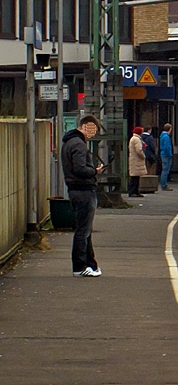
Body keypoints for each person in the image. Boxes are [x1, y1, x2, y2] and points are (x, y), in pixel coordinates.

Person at [60, 115, 104, 277]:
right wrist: (94, 171)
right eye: (93, 130)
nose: (93, 134)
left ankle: (90, 264)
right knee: (83, 230)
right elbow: (80, 169)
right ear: (86, 126)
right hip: (83, 190)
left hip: (75, 189)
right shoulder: (79, 144)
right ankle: (79, 267)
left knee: (85, 229)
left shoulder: (69, 142)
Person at [127, 126, 146, 198]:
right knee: (135, 177)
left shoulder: (133, 138)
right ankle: (132, 191)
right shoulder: (137, 139)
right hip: (137, 160)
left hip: (134, 159)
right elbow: (139, 150)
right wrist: (143, 156)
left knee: (136, 177)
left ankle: (135, 191)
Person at [159, 123, 174, 191]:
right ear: (170, 129)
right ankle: (164, 185)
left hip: (163, 154)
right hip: (166, 155)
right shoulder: (166, 137)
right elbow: (167, 146)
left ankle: (164, 184)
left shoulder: (162, 136)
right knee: (166, 170)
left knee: (165, 169)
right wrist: (169, 154)